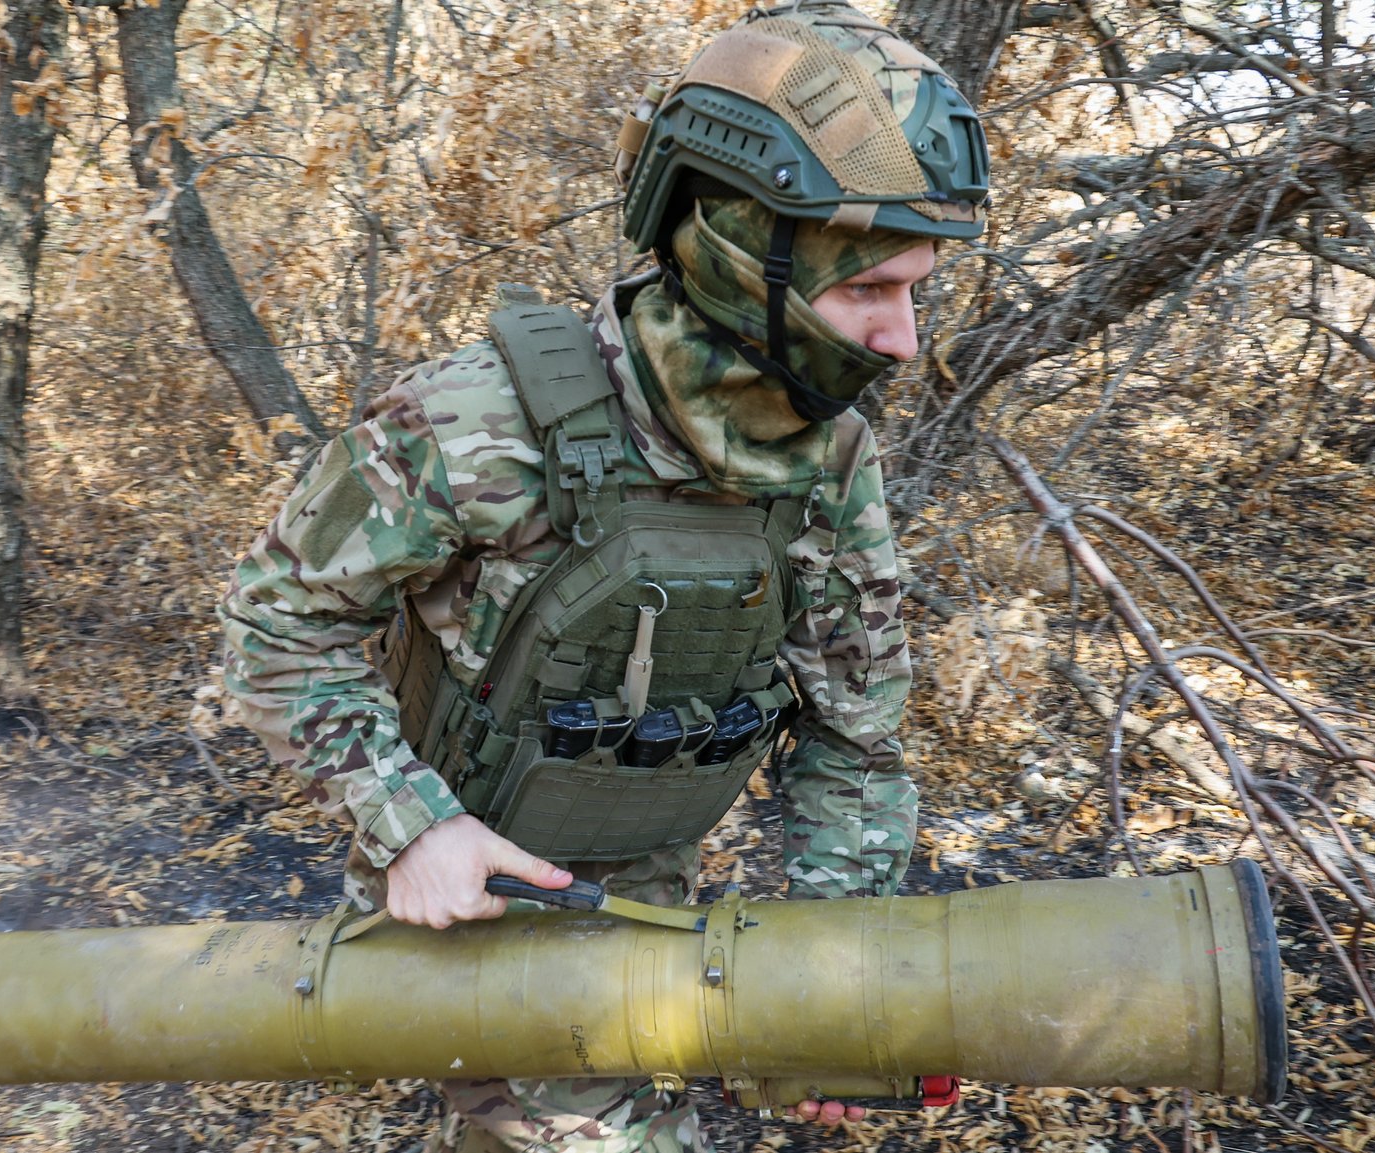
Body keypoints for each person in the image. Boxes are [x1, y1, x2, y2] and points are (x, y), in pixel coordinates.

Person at [218, 3, 988, 1150]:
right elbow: (277, 622)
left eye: (916, 291)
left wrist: (839, 978)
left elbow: (853, 732)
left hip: (644, 910)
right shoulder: (479, 424)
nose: (903, 340)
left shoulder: (829, 462)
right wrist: (408, 825)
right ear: (737, 251)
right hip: (469, 893)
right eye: (868, 290)